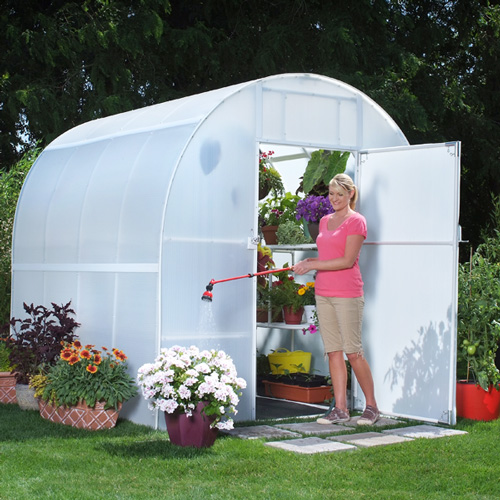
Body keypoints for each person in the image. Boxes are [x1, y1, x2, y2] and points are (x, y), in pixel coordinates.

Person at [293, 173, 379, 425]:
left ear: (350, 194)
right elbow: (327, 255)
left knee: (353, 352)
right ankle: (340, 409)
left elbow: (346, 261)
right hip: (324, 292)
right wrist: (311, 264)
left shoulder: (357, 222)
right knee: (333, 352)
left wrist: (312, 264)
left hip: (348, 294)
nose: (335, 199)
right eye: (331, 194)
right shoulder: (323, 221)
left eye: (340, 194)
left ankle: (371, 407)